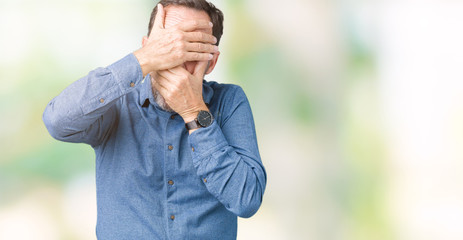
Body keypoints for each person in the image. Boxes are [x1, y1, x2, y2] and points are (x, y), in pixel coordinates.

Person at [42, 0, 266, 239]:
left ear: (211, 62)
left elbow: (246, 200)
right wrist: (142, 60)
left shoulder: (229, 102)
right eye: (167, 45)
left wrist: (194, 112)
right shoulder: (116, 103)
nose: (175, 59)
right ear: (147, 47)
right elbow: (57, 121)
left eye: (191, 49)